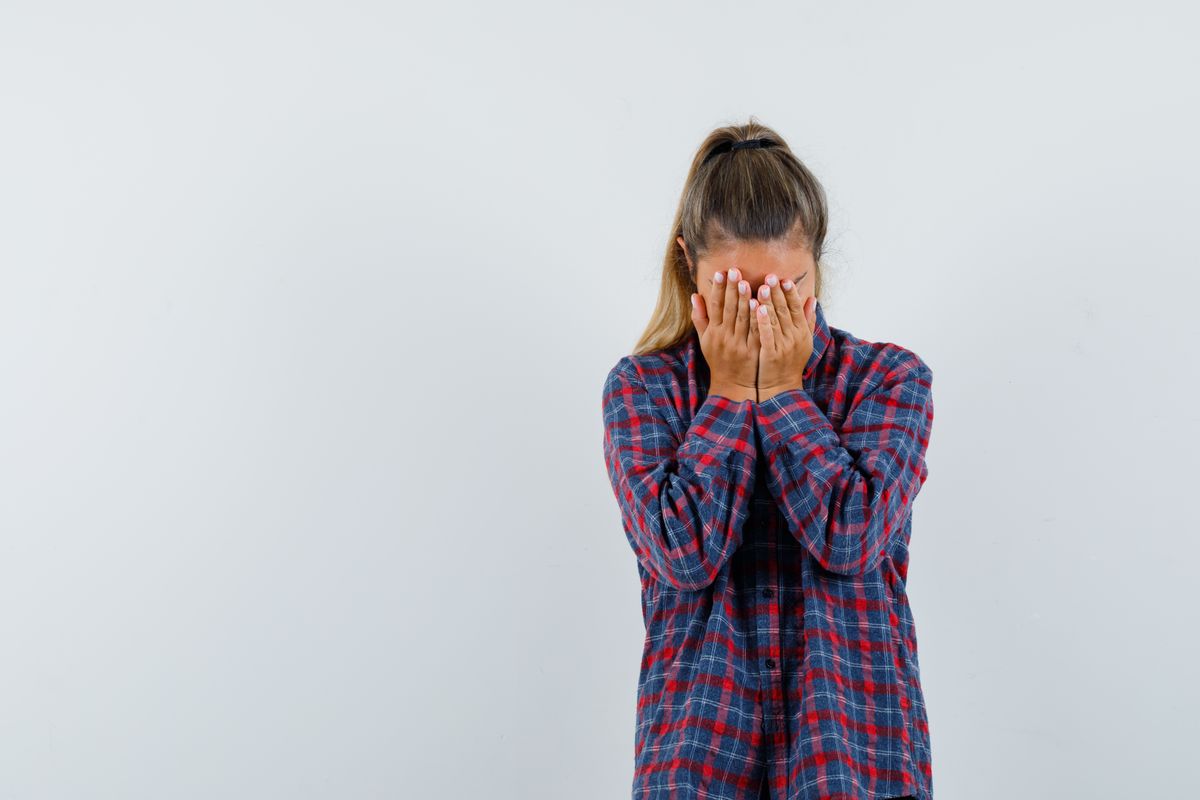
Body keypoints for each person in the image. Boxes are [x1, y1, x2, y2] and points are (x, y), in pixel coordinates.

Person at [600, 120, 935, 800]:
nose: (770, 312)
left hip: (852, 755)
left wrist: (781, 394)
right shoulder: (643, 390)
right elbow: (683, 552)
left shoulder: (888, 380)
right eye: (744, 291)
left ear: (816, 266)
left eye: (790, 288)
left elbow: (851, 536)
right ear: (689, 265)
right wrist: (728, 393)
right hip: (700, 760)